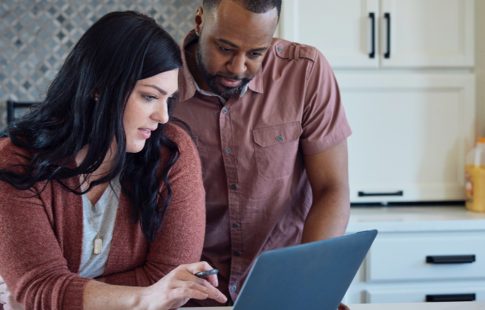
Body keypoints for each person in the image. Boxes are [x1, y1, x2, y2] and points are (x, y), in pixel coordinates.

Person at [0, 11, 227, 310]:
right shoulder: (16, 163)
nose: (163, 116)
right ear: (99, 88)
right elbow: (40, 286)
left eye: (167, 99)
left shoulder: (172, 155)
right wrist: (144, 297)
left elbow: (170, 282)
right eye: (149, 97)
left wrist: (57, 294)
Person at [173, 0, 352, 306]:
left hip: (282, 289)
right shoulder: (161, 82)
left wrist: (308, 282)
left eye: (256, 53)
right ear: (200, 21)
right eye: (225, 48)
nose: (238, 67)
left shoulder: (306, 72)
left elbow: (331, 189)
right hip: (189, 292)